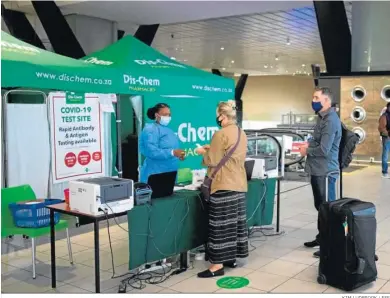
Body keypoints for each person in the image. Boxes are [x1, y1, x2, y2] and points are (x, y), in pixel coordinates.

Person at [195, 100, 248, 278]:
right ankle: (230, 258)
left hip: (223, 184)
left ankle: (217, 265)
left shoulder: (220, 134)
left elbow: (213, 160)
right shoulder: (241, 132)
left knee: (219, 225)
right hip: (239, 184)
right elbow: (229, 154)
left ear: (222, 116)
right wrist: (213, 150)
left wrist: (203, 152)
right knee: (234, 224)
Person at [299, 87, 342, 258]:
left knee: (327, 208)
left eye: (317, 97)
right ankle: (322, 237)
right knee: (321, 206)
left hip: (326, 171)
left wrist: (306, 151)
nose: (313, 100)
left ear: (326, 101)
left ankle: (329, 243)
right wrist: (309, 144)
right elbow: (318, 141)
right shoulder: (322, 118)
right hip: (317, 169)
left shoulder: (330, 120)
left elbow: (324, 149)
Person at [139, 103, 185, 183]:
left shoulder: (168, 130)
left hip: (170, 173)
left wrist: (179, 155)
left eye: (169, 114)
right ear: (157, 115)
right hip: (155, 174)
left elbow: (172, 149)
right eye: (165, 114)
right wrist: (172, 152)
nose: (168, 117)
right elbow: (151, 151)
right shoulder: (150, 130)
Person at [378, 102, 390, 179]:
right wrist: (388, 135)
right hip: (387, 138)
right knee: (385, 155)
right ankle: (384, 172)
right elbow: (381, 128)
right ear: (388, 107)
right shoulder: (384, 116)